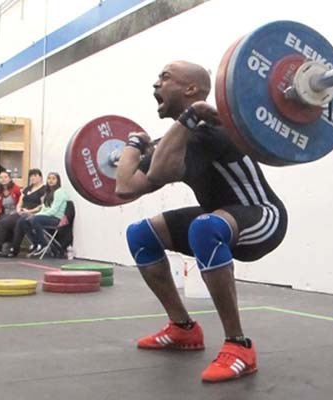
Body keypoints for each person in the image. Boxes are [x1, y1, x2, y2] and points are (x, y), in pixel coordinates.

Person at [114, 60, 287, 383]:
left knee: (204, 227)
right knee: (141, 234)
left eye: (164, 77)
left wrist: (188, 120)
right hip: (219, 219)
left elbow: (160, 172)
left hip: (262, 216)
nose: (155, 84)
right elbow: (125, 187)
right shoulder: (180, 135)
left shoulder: (214, 128)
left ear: (191, 89)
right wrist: (133, 144)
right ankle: (183, 329)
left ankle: (239, 346)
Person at [8, 172, 68, 258]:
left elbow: (53, 211)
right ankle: (36, 243)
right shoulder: (48, 192)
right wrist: (32, 214)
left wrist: (36, 216)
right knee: (23, 220)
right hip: (46, 216)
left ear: (58, 181)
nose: (51, 181)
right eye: (49, 178)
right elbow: (44, 208)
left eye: (53, 178)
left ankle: (43, 244)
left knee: (35, 219)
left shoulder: (60, 192)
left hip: (55, 218)